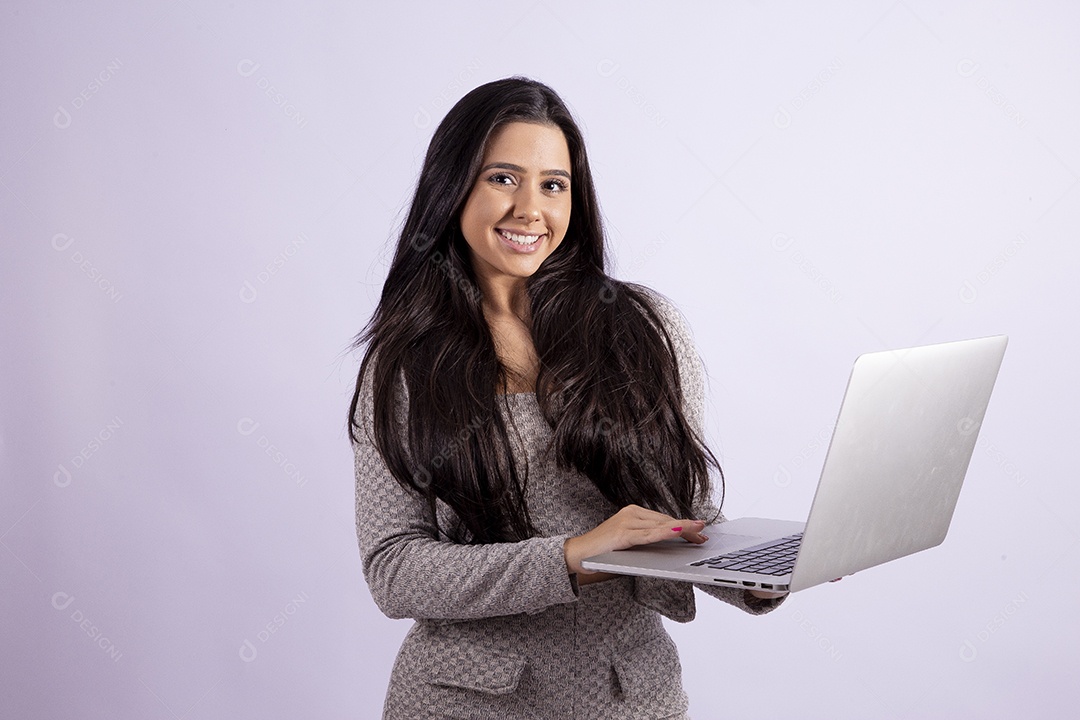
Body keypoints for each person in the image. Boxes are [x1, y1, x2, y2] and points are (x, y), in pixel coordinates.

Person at [347, 75, 787, 720]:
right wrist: (570, 557)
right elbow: (395, 568)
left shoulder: (645, 327)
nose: (531, 209)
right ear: (452, 187)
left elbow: (679, 512)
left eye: (554, 185)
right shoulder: (407, 362)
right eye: (503, 178)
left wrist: (754, 572)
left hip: (630, 697)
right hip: (466, 703)